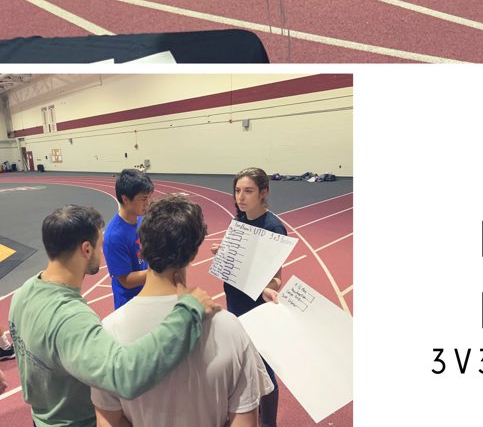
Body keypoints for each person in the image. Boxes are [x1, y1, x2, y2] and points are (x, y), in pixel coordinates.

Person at [8, 204, 218, 427]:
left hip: (41, 418)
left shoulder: (24, 292)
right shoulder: (71, 318)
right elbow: (124, 375)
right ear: (86, 249)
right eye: (101, 244)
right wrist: (188, 311)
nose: (102, 251)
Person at [90, 195, 272, 427]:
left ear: (142, 247)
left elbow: (108, 420)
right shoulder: (230, 328)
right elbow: (245, 420)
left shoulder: (107, 331)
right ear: (194, 252)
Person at [209, 168, 287, 427]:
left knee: (263, 365)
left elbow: (277, 277)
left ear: (264, 193)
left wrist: (269, 287)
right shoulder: (239, 219)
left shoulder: (273, 227)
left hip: (258, 306)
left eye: (248, 191)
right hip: (235, 302)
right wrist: (223, 253)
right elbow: (238, 264)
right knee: (242, 361)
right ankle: (247, 412)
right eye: (238, 190)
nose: (241, 197)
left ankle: (269, 423)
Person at [102, 168, 154, 310]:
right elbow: (126, 280)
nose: (148, 203)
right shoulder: (114, 236)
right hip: (129, 304)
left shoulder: (141, 219)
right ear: (125, 199)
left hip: (148, 294)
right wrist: (159, 272)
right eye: (143, 199)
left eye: (149, 197)